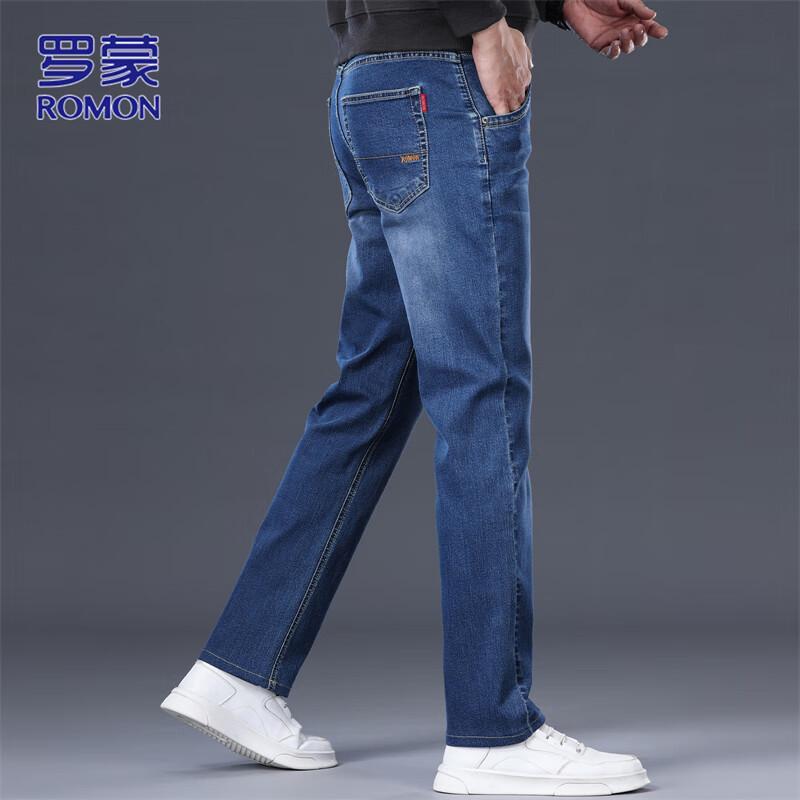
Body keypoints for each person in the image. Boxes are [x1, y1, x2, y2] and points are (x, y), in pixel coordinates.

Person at [161, 1, 668, 794]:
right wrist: (486, 23)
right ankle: (492, 731)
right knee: (481, 395)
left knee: (373, 388)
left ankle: (240, 670)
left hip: (372, 82)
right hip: (441, 81)